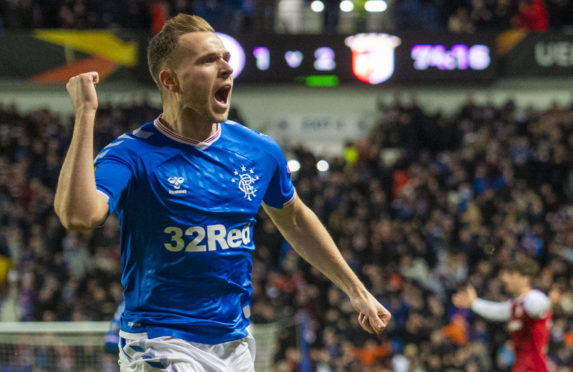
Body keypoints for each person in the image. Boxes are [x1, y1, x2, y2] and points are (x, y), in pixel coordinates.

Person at [53, 13, 391, 371]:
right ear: (170, 80)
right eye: (208, 61)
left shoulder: (257, 150)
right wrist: (85, 113)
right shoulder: (131, 153)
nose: (226, 68)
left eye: (225, 58)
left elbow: (294, 218)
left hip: (234, 345)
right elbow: (78, 216)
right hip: (160, 342)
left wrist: (356, 290)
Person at [452, 257, 551, 372]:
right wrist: (474, 303)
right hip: (520, 367)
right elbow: (496, 311)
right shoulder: (515, 304)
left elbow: (538, 306)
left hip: (534, 368)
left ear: (525, 279)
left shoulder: (533, 298)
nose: (505, 279)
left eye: (511, 275)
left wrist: (551, 303)